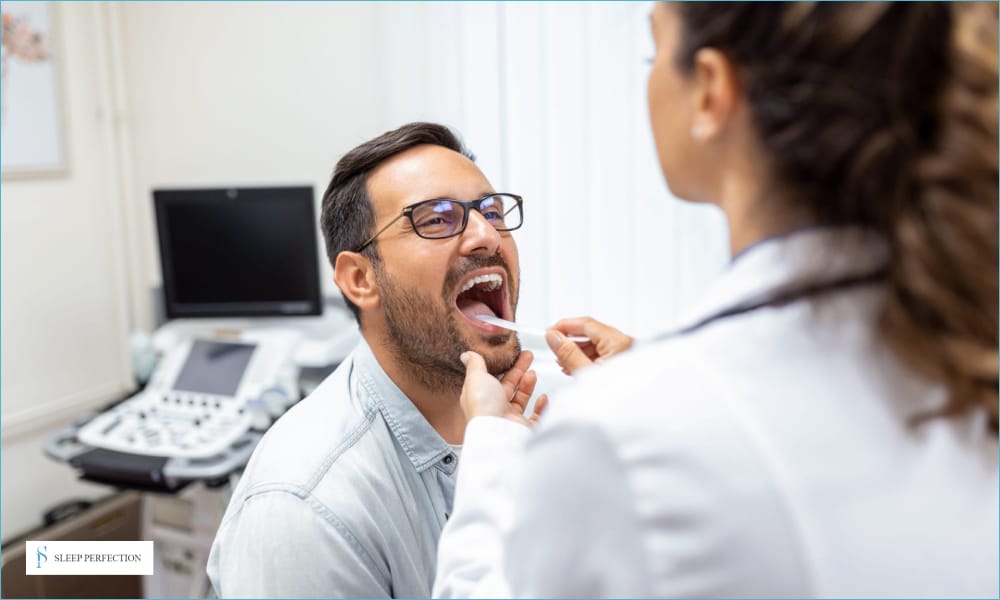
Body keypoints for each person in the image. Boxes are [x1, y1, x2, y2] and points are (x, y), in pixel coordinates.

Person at [436, 3, 998, 597]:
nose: (483, 234)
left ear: (710, 90)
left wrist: (493, 444)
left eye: (654, 55)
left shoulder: (624, 439)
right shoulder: (962, 350)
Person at [207, 122, 543, 597]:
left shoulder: (516, 427)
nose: (487, 235)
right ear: (360, 279)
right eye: (437, 219)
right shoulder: (305, 507)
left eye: (491, 210)